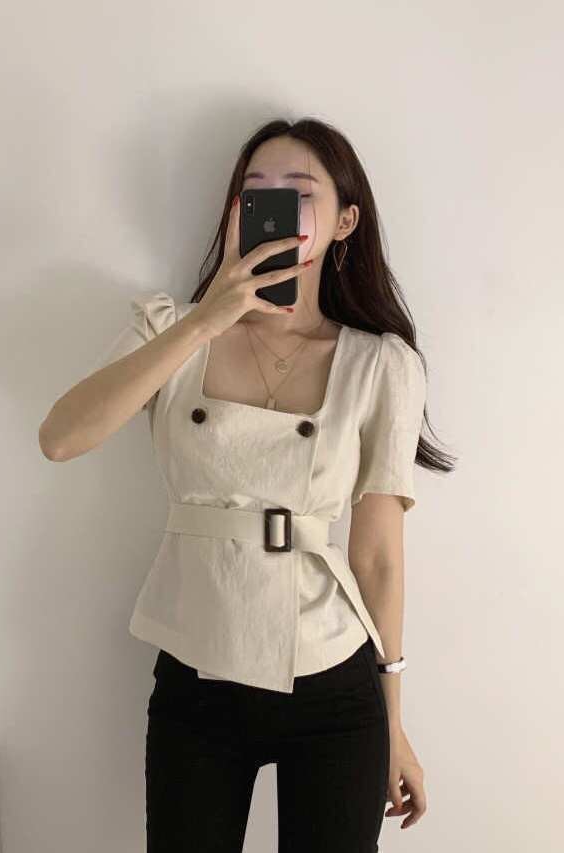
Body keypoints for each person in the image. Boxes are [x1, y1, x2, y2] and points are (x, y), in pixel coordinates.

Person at [39, 117, 454, 852]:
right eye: (255, 191)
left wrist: (393, 724)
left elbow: (378, 557)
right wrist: (206, 321)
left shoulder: (379, 363)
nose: (275, 207)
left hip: (332, 677)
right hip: (197, 673)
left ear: (345, 221)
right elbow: (62, 437)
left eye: (300, 192)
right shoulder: (170, 328)